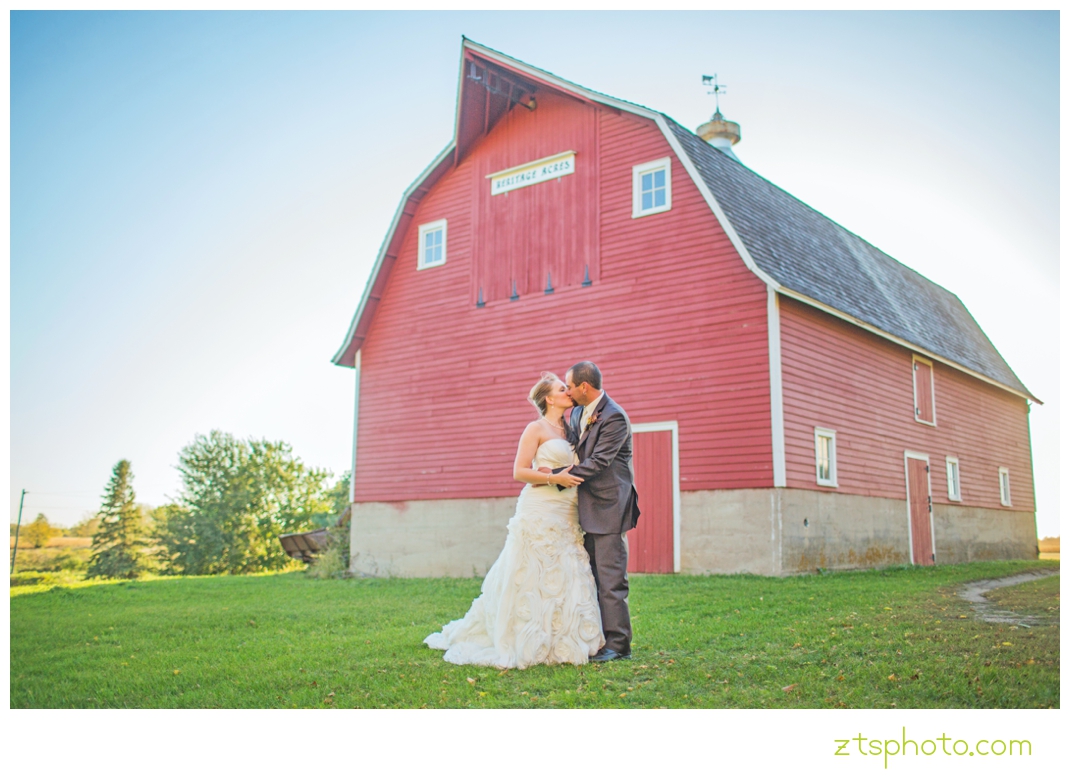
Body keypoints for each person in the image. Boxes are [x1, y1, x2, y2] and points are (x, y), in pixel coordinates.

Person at [424, 373, 604, 669]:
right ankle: (525, 633)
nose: (568, 391)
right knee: (531, 570)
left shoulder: (572, 429)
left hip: (567, 510)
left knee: (565, 567)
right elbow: (519, 471)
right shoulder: (536, 428)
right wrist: (551, 476)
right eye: (562, 388)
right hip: (540, 507)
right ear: (549, 398)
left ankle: (565, 634)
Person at [550, 361, 640, 662]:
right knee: (591, 578)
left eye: (570, 386)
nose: (568, 391)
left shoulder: (614, 417)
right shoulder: (576, 412)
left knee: (611, 580)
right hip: (583, 507)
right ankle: (597, 636)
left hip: (609, 507)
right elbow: (575, 447)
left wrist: (556, 478)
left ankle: (618, 645)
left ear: (584, 387)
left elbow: (599, 462)